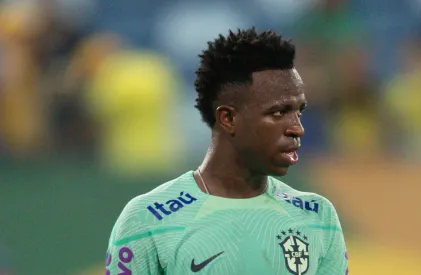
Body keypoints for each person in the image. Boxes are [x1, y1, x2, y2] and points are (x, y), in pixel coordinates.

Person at [105, 28, 348, 275]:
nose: (297, 128)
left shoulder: (317, 217)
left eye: (299, 111)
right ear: (228, 118)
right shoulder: (148, 219)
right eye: (278, 113)